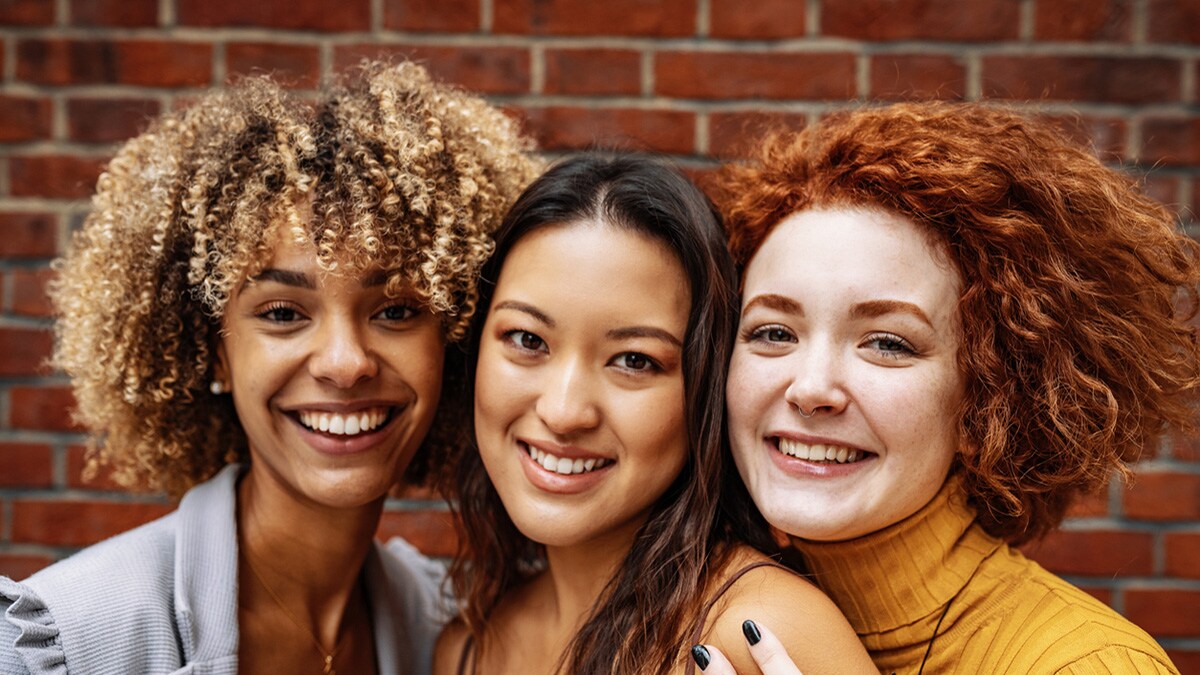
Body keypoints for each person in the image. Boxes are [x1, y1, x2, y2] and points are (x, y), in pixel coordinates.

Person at [0, 60, 537, 674]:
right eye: (283, 312)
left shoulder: (445, 633)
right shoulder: (67, 643)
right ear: (215, 351)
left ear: (452, 338)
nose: (345, 363)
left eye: (394, 310)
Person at [696, 102, 1197, 674]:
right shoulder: (684, 611)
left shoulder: (1084, 663)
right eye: (774, 331)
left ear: (990, 397)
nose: (811, 388)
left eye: (887, 343)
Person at [433, 155, 875, 675]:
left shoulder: (761, 631)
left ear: (704, 390)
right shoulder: (465, 650)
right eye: (528, 340)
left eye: (634, 361)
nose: (564, 411)